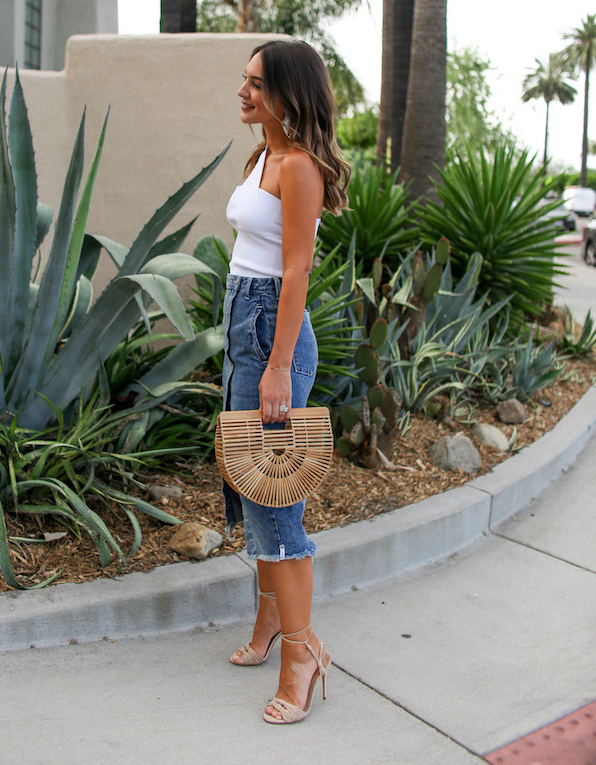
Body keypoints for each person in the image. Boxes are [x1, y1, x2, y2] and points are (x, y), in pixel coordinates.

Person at [221, 39, 350, 724]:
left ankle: (302, 653)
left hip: (273, 331)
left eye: (256, 84)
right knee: (249, 481)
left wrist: (275, 366)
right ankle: (271, 619)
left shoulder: (298, 167)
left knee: (276, 500)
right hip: (245, 321)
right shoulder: (262, 154)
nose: (242, 92)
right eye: (242, 80)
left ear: (287, 94)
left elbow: (296, 271)